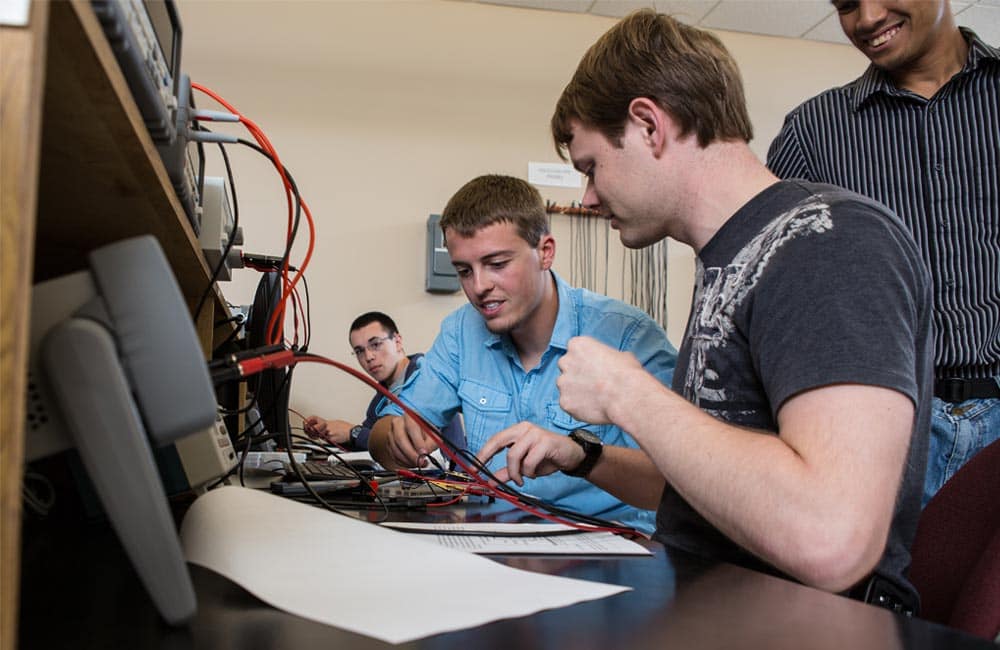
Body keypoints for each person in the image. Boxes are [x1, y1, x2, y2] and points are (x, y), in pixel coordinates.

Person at [476, 9, 933, 612]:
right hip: (701, 607)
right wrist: (584, 456)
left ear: (648, 126)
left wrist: (628, 395)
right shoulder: (735, 255)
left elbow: (833, 538)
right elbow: (716, 484)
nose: (587, 196)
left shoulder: (827, 241)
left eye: (590, 167)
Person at [766, 0, 1000, 508]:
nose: (867, 18)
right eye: (846, 5)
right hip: (880, 432)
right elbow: (777, 297)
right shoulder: (812, 133)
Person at [367, 174, 677, 534]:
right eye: (464, 271)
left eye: (497, 264)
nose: (479, 287)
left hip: (611, 545)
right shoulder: (460, 332)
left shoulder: (627, 336)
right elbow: (382, 433)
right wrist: (395, 438)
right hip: (494, 539)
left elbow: (679, 486)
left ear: (545, 251)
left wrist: (581, 457)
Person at [303, 311, 464, 451]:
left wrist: (353, 432)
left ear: (398, 341)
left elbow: (407, 446)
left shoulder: (428, 380)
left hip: (449, 482)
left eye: (375, 344)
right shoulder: (381, 399)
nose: (368, 357)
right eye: (359, 351)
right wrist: (329, 431)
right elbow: (371, 444)